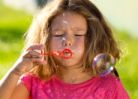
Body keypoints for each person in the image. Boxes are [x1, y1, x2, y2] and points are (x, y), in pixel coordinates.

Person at [0, 0, 130, 99]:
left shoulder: (109, 86)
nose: (67, 41)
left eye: (78, 34)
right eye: (58, 34)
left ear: (93, 39)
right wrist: (16, 72)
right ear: (44, 39)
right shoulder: (35, 81)